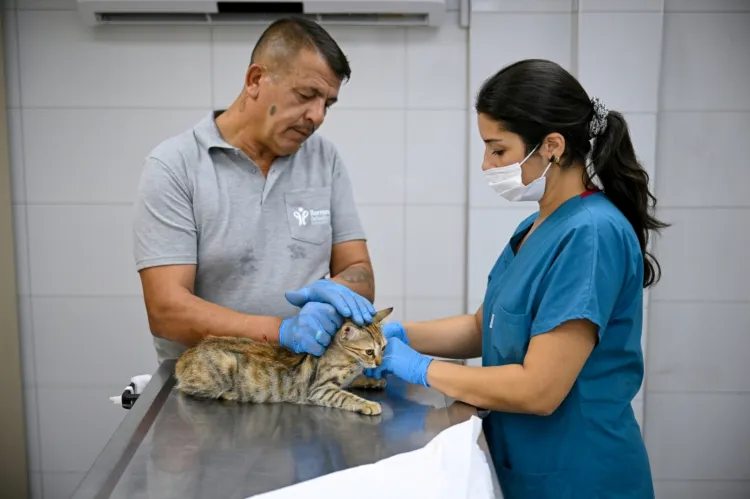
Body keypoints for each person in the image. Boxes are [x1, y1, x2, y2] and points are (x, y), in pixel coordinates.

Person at [367, 59, 667, 498]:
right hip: (526, 465)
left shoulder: (591, 233)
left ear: (551, 146)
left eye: (498, 150)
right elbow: (482, 328)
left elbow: (538, 389)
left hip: (579, 475)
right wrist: (388, 334)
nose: (486, 165)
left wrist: (422, 369)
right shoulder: (536, 225)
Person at [132, 17, 377, 364]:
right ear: (255, 80)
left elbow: (358, 269)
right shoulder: (175, 165)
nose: (318, 115)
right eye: (306, 95)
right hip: (208, 381)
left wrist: (333, 296)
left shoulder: (323, 158)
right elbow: (166, 310)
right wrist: (281, 331)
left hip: (304, 376)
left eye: (328, 103)